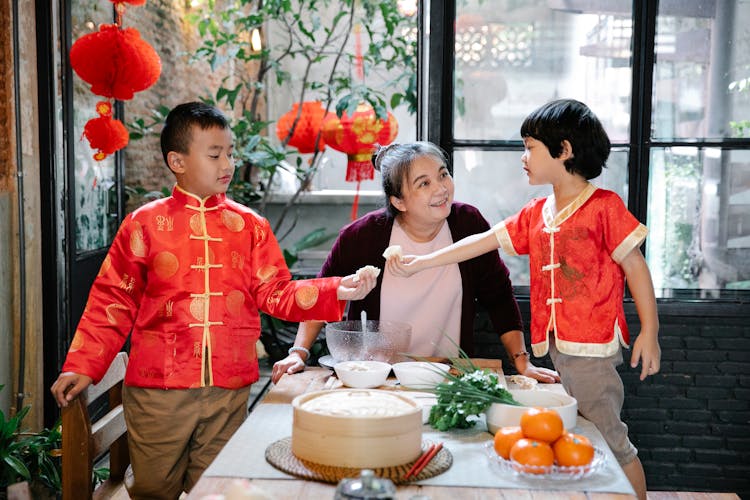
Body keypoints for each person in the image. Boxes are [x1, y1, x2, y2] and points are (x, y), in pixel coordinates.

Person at [50, 102, 377, 500]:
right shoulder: (145, 224)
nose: (228, 163)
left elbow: (275, 291)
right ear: (177, 161)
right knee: (153, 488)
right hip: (158, 392)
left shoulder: (250, 226)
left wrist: (337, 289)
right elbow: (111, 300)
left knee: (216, 489)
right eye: (214, 154)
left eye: (230, 152)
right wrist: (83, 365)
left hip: (228, 389)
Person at [386, 100, 660, 500]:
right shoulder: (538, 212)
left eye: (530, 147)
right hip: (559, 346)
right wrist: (421, 262)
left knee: (610, 440)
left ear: (563, 150)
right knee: (582, 436)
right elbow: (481, 242)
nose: (523, 157)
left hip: (592, 346)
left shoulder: (604, 208)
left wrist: (649, 331)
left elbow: (636, 267)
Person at [272, 141, 560, 384]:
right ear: (399, 201)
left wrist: (523, 362)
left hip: (447, 374)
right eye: (424, 183)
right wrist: (298, 353)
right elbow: (323, 293)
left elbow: (499, 297)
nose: (441, 188)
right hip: (377, 377)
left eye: (443, 175)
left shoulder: (467, 223)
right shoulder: (362, 236)